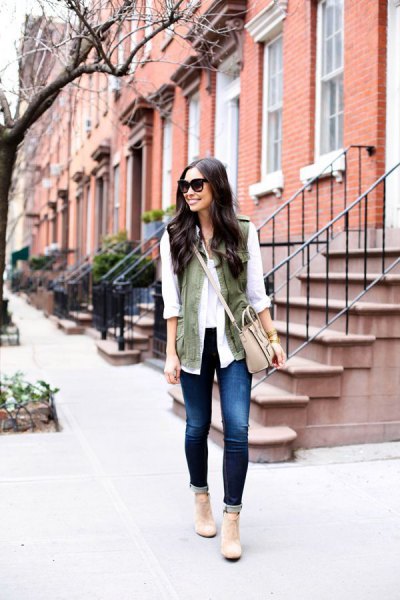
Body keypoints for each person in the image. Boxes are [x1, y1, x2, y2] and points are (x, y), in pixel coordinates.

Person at [160, 157, 285, 560]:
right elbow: (171, 301)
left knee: (237, 429)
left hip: (233, 343)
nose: (189, 191)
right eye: (185, 185)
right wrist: (169, 354)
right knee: (196, 426)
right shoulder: (175, 235)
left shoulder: (243, 231)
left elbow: (256, 292)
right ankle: (201, 498)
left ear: (216, 185)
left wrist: (273, 337)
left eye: (197, 184)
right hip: (193, 344)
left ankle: (232, 518)